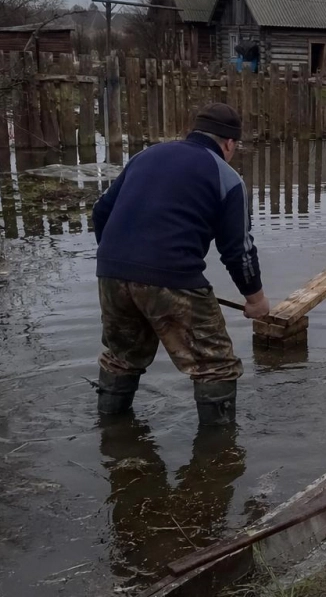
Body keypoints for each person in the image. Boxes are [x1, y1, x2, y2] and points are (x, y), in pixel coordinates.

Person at [91, 103, 269, 426]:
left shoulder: (145, 157)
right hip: (171, 275)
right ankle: (217, 456)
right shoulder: (227, 178)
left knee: (122, 358)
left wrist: (120, 263)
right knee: (216, 364)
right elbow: (237, 250)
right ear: (229, 143)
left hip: (110, 272)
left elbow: (100, 211)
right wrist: (255, 300)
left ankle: (111, 432)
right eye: (235, 147)